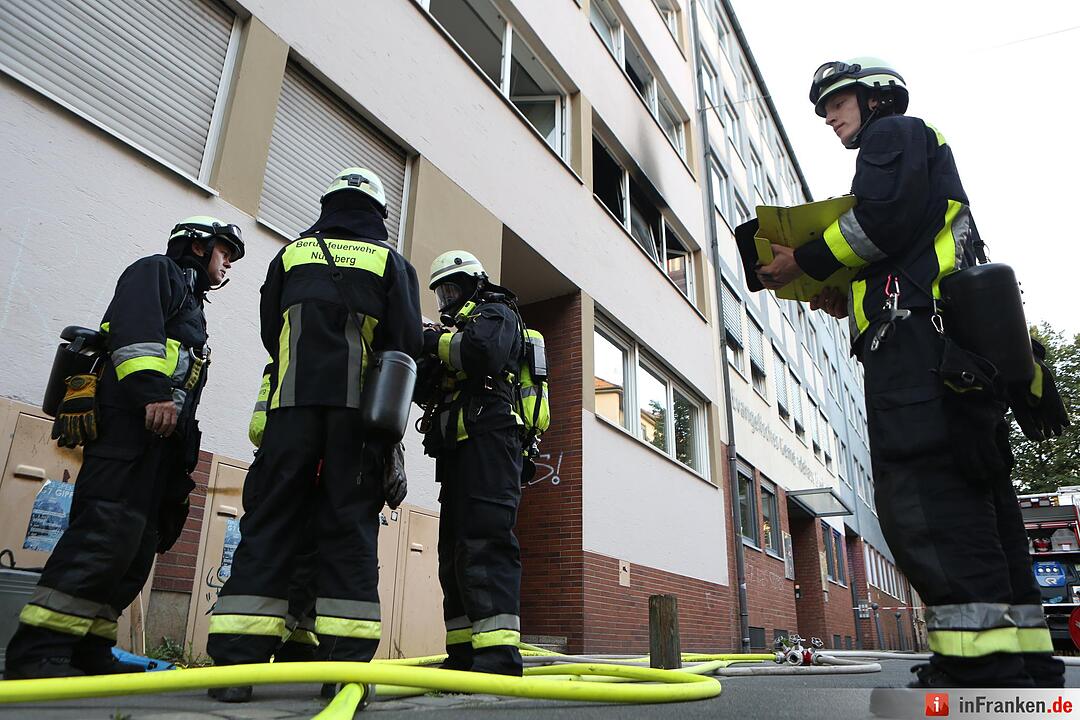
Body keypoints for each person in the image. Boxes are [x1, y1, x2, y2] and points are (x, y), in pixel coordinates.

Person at [756, 58, 1068, 687]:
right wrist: (846, 294)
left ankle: (977, 665)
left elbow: (881, 221)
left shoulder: (892, 134)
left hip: (916, 358)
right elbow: (904, 245)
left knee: (926, 498)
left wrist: (804, 260)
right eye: (821, 110)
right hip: (951, 354)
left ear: (875, 98)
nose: (827, 115)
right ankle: (1023, 659)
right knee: (980, 498)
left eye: (836, 101)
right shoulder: (920, 149)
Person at [206, 168, 421, 702]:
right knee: (349, 533)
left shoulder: (291, 255)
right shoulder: (390, 262)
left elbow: (268, 331)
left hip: (290, 413)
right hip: (358, 421)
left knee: (271, 524)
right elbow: (406, 343)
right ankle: (344, 673)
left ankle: (234, 669)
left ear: (328, 206)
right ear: (376, 213)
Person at [4, 217, 243, 679]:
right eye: (225, 250)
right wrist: (153, 392)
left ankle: (89, 649)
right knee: (103, 536)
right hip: (128, 432)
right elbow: (135, 337)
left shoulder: (191, 302)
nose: (228, 261)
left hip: (159, 444)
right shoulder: (156, 272)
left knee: (133, 549)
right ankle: (37, 652)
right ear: (197, 246)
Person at [421, 251, 525, 676]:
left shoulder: (496, 313)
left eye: (452, 289)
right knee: (455, 553)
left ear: (473, 284)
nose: (446, 299)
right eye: (441, 292)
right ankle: (463, 655)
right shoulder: (455, 331)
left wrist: (430, 342)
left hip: (491, 445)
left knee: (486, 544)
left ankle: (498, 659)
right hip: (460, 454)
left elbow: (482, 353)